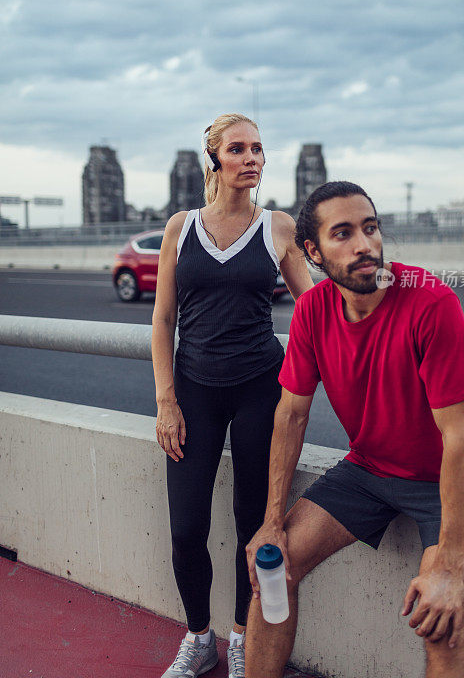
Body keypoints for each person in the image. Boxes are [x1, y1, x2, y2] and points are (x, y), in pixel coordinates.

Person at [245, 181, 464, 678]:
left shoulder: (431, 301)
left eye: (370, 227)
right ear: (313, 252)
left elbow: (462, 438)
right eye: (343, 233)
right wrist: (272, 518)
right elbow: (291, 415)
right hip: (367, 468)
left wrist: (447, 567)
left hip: (444, 480)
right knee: (273, 566)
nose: (364, 244)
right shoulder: (314, 310)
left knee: (442, 619)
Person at [151, 113, 313, 678]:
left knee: (253, 521)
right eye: (239, 149)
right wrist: (166, 400)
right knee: (186, 526)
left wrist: (379, 296)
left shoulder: (279, 229)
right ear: (213, 160)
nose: (252, 158)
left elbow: (314, 309)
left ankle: (244, 637)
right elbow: (164, 319)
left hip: (260, 389)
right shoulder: (180, 227)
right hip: (194, 390)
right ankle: (199, 639)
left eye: (259, 150)